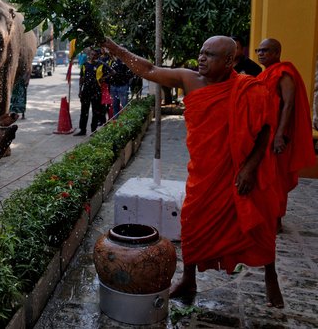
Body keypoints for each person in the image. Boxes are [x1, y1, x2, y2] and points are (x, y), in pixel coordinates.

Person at [101, 35, 284, 308]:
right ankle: (189, 279)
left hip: (237, 172)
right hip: (204, 173)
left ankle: (271, 279)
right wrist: (113, 47)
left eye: (210, 55)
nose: (201, 58)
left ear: (229, 61)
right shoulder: (189, 80)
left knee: (258, 223)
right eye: (201, 52)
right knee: (192, 223)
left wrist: (250, 167)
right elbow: (149, 70)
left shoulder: (248, 89)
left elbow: (266, 128)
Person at [256, 38, 316, 232]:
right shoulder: (264, 75)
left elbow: (288, 104)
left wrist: (280, 134)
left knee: (276, 178)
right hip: (265, 133)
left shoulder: (284, 73)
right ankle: (265, 215)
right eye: (259, 50)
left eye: (265, 50)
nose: (260, 53)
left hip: (277, 135)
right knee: (264, 176)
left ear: (276, 52)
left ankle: (276, 220)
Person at [74, 48, 104, 136]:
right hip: (86, 91)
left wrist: (103, 78)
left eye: (95, 55)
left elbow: (112, 72)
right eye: (91, 55)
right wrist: (80, 90)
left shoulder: (101, 65)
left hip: (96, 91)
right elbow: (81, 79)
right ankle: (82, 130)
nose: (93, 56)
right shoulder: (84, 65)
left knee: (95, 112)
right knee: (84, 111)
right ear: (89, 55)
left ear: (98, 56)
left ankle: (93, 130)